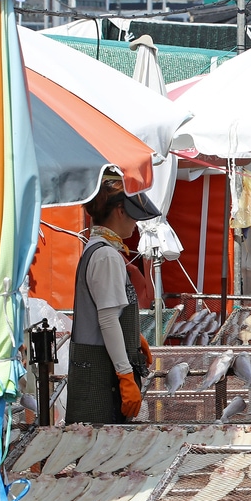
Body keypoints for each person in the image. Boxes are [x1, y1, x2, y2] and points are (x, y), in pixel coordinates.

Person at [69, 176, 160, 424]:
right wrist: (125, 376)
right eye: (132, 216)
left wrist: (132, 336)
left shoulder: (96, 248)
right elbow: (108, 320)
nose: (135, 224)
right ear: (120, 211)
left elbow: (109, 313)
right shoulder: (106, 255)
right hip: (102, 375)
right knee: (102, 451)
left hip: (97, 368)